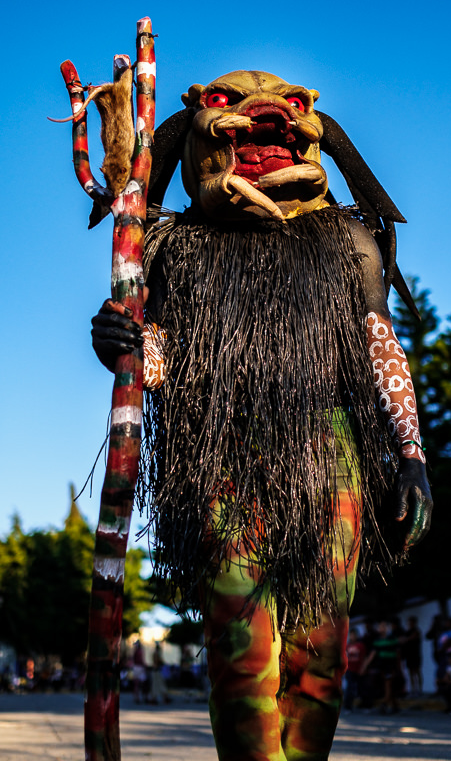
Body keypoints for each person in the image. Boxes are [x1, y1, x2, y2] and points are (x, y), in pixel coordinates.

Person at [91, 70, 432, 761]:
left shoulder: (346, 241)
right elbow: (162, 359)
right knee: (240, 647)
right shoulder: (172, 245)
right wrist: (124, 344)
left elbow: (377, 343)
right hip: (220, 458)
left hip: (328, 450)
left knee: (319, 654)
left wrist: (410, 455)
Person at [344, 628, 366, 710]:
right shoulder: (347, 646)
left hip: (359, 670)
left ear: (357, 636)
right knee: (350, 688)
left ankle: (364, 705)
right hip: (349, 670)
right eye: (351, 635)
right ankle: (348, 706)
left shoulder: (360, 645)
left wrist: (363, 668)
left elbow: (363, 657)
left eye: (354, 635)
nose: (352, 637)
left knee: (362, 688)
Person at [402, 615, 423, 696]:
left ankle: (419, 689)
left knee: (417, 672)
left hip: (416, 654)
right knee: (411, 673)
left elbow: (410, 638)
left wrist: (406, 639)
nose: (410, 624)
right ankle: (413, 689)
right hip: (409, 655)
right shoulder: (407, 632)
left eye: (411, 623)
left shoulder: (417, 631)